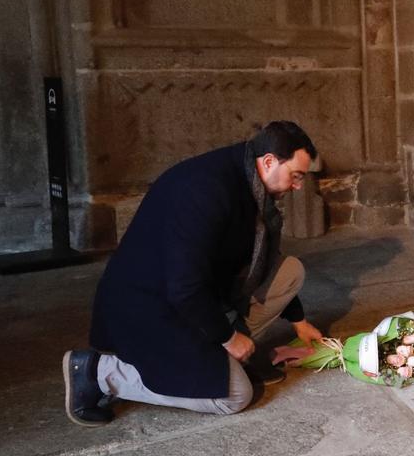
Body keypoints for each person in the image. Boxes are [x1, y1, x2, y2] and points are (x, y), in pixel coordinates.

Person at [63, 121, 325, 425]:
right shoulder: (207, 189)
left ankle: (225, 359)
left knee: (290, 271)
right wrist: (228, 339)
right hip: (151, 310)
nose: (298, 187)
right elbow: (185, 287)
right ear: (268, 162)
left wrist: (299, 321)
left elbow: (260, 261)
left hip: (199, 296)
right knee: (234, 396)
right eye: (296, 176)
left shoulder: (246, 178)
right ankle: (100, 372)